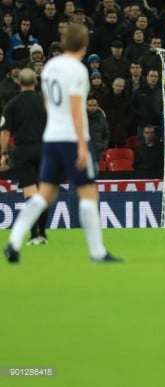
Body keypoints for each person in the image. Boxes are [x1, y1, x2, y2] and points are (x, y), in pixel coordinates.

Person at [4, 23, 122, 264]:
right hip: (71, 138)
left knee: (43, 194)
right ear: (84, 45)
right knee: (88, 192)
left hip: (51, 138)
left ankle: (14, 241)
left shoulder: (49, 68)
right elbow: (77, 110)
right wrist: (81, 145)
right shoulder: (77, 70)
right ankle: (98, 252)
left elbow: (49, 103)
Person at [0, 68, 48, 245]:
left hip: (23, 151)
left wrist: (4, 154)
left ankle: (34, 235)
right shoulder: (44, 101)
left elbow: (5, 133)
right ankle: (42, 233)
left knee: (30, 193)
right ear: (35, 82)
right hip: (44, 150)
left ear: (19, 83)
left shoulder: (12, 104)